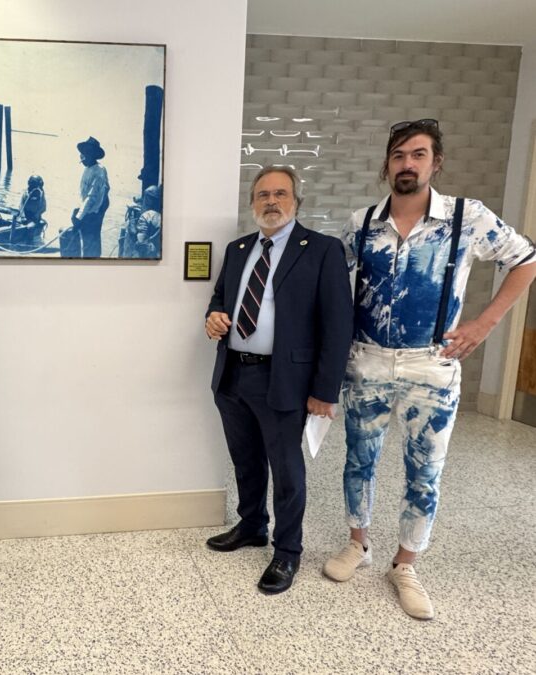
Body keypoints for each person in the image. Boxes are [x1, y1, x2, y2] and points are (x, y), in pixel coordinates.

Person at [323, 119, 536, 620]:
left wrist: (484, 323)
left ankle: (406, 563)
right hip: (367, 359)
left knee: (426, 471)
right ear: (387, 164)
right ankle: (358, 543)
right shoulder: (361, 222)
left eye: (418, 155)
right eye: (398, 155)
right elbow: (330, 284)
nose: (407, 164)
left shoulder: (467, 218)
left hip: (432, 364)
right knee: (359, 459)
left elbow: (525, 260)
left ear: (435, 162)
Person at [205, 166, 353, 594]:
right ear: (252, 203)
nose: (271, 202)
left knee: (286, 470)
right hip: (233, 371)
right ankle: (252, 525)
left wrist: (325, 391)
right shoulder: (238, 249)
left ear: (296, 202)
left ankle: (288, 552)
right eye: (263, 195)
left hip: (284, 378)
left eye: (281, 194)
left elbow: (338, 324)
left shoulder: (322, 250)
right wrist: (213, 317)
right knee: (245, 459)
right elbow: (221, 298)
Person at [69, 136, 110, 258]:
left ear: (92, 155)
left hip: (95, 210)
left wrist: (80, 216)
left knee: (91, 240)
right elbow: (83, 195)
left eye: (86, 154)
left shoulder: (99, 171)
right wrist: (78, 210)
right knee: (86, 238)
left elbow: (91, 197)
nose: (83, 157)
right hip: (88, 208)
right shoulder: (88, 168)